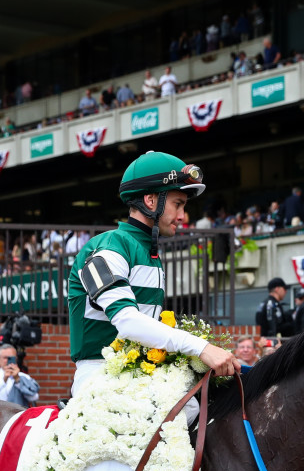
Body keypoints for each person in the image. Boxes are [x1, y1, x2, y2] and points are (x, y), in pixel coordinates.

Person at [66, 152, 236, 398]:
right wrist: (201, 348)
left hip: (142, 375)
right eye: (177, 204)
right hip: (99, 376)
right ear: (150, 200)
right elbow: (127, 321)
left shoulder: (151, 253)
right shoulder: (108, 247)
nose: (182, 216)